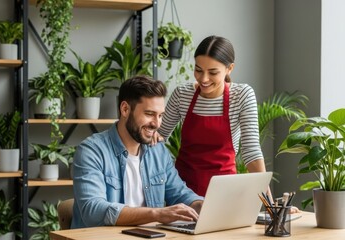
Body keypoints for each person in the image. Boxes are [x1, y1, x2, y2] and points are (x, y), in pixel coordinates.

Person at [71, 75, 204, 229]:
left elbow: (180, 194)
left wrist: (202, 206)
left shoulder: (158, 151)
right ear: (125, 109)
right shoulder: (92, 151)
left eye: (160, 115)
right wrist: (156, 214)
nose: (156, 124)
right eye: (149, 114)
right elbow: (92, 210)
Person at [156, 35, 266, 197]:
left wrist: (271, 205)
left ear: (230, 68)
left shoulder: (242, 95)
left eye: (213, 72)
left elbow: (251, 152)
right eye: (198, 70)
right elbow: (159, 137)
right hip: (182, 191)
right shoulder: (182, 94)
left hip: (225, 192)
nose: (204, 79)